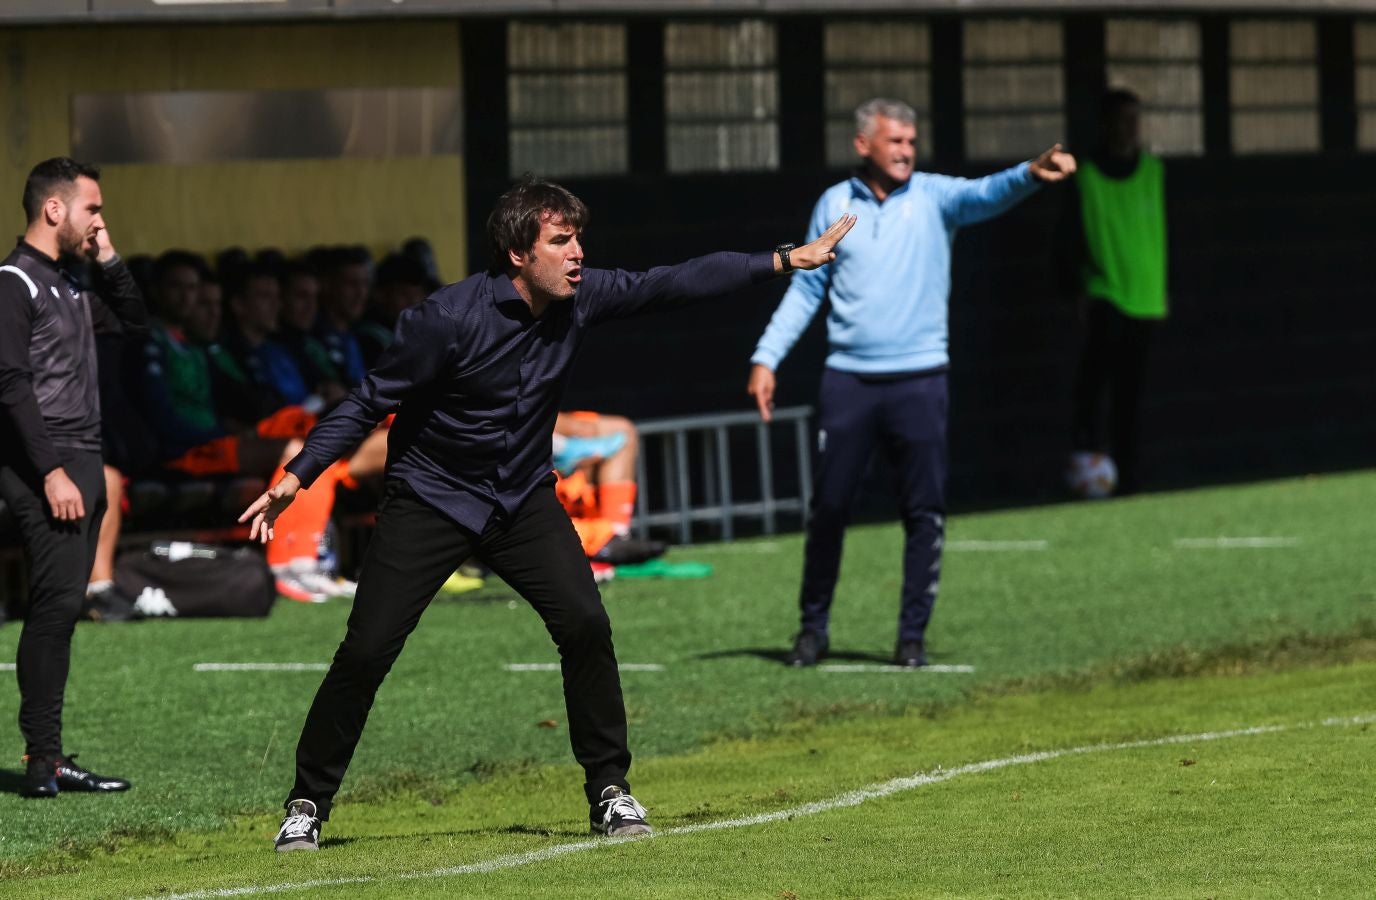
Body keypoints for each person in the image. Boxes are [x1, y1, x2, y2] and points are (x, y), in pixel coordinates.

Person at [241, 176, 855, 852]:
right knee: (365, 651)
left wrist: (780, 259)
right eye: (560, 241)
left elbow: (674, 281)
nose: (577, 253)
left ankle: (610, 793)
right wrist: (297, 476)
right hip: (430, 499)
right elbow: (364, 403)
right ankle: (307, 803)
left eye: (577, 239)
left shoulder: (582, 298)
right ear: (517, 253)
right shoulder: (445, 318)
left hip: (521, 501)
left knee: (586, 623)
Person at [747, 98, 1076, 669]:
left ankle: (911, 639)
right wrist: (766, 357)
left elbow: (984, 193)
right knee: (829, 507)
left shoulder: (932, 197)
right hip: (849, 381)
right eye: (894, 141)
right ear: (863, 145)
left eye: (911, 142)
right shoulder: (834, 203)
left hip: (920, 380)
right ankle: (812, 631)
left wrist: (1029, 173)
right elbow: (806, 290)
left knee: (924, 510)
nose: (905, 151)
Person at [0, 157, 145, 796]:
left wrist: (108, 255)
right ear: (53, 209)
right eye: (92, 209)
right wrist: (52, 471)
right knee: (56, 608)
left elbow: (136, 322)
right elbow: (9, 384)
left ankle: (48, 757)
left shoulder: (71, 285)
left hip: (83, 455)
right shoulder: (14, 282)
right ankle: (44, 760)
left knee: (64, 606)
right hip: (46, 461)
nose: (99, 221)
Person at [1061, 89, 1168, 496]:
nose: (1131, 128)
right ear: (1106, 124)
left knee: (1131, 394)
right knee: (1091, 390)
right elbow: (1069, 238)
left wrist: (1162, 288)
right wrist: (1076, 289)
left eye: (1135, 120)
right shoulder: (1086, 176)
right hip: (1105, 293)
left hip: (1144, 295)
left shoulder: (1153, 172)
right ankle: (1085, 465)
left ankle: (1129, 474)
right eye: (1123, 120)